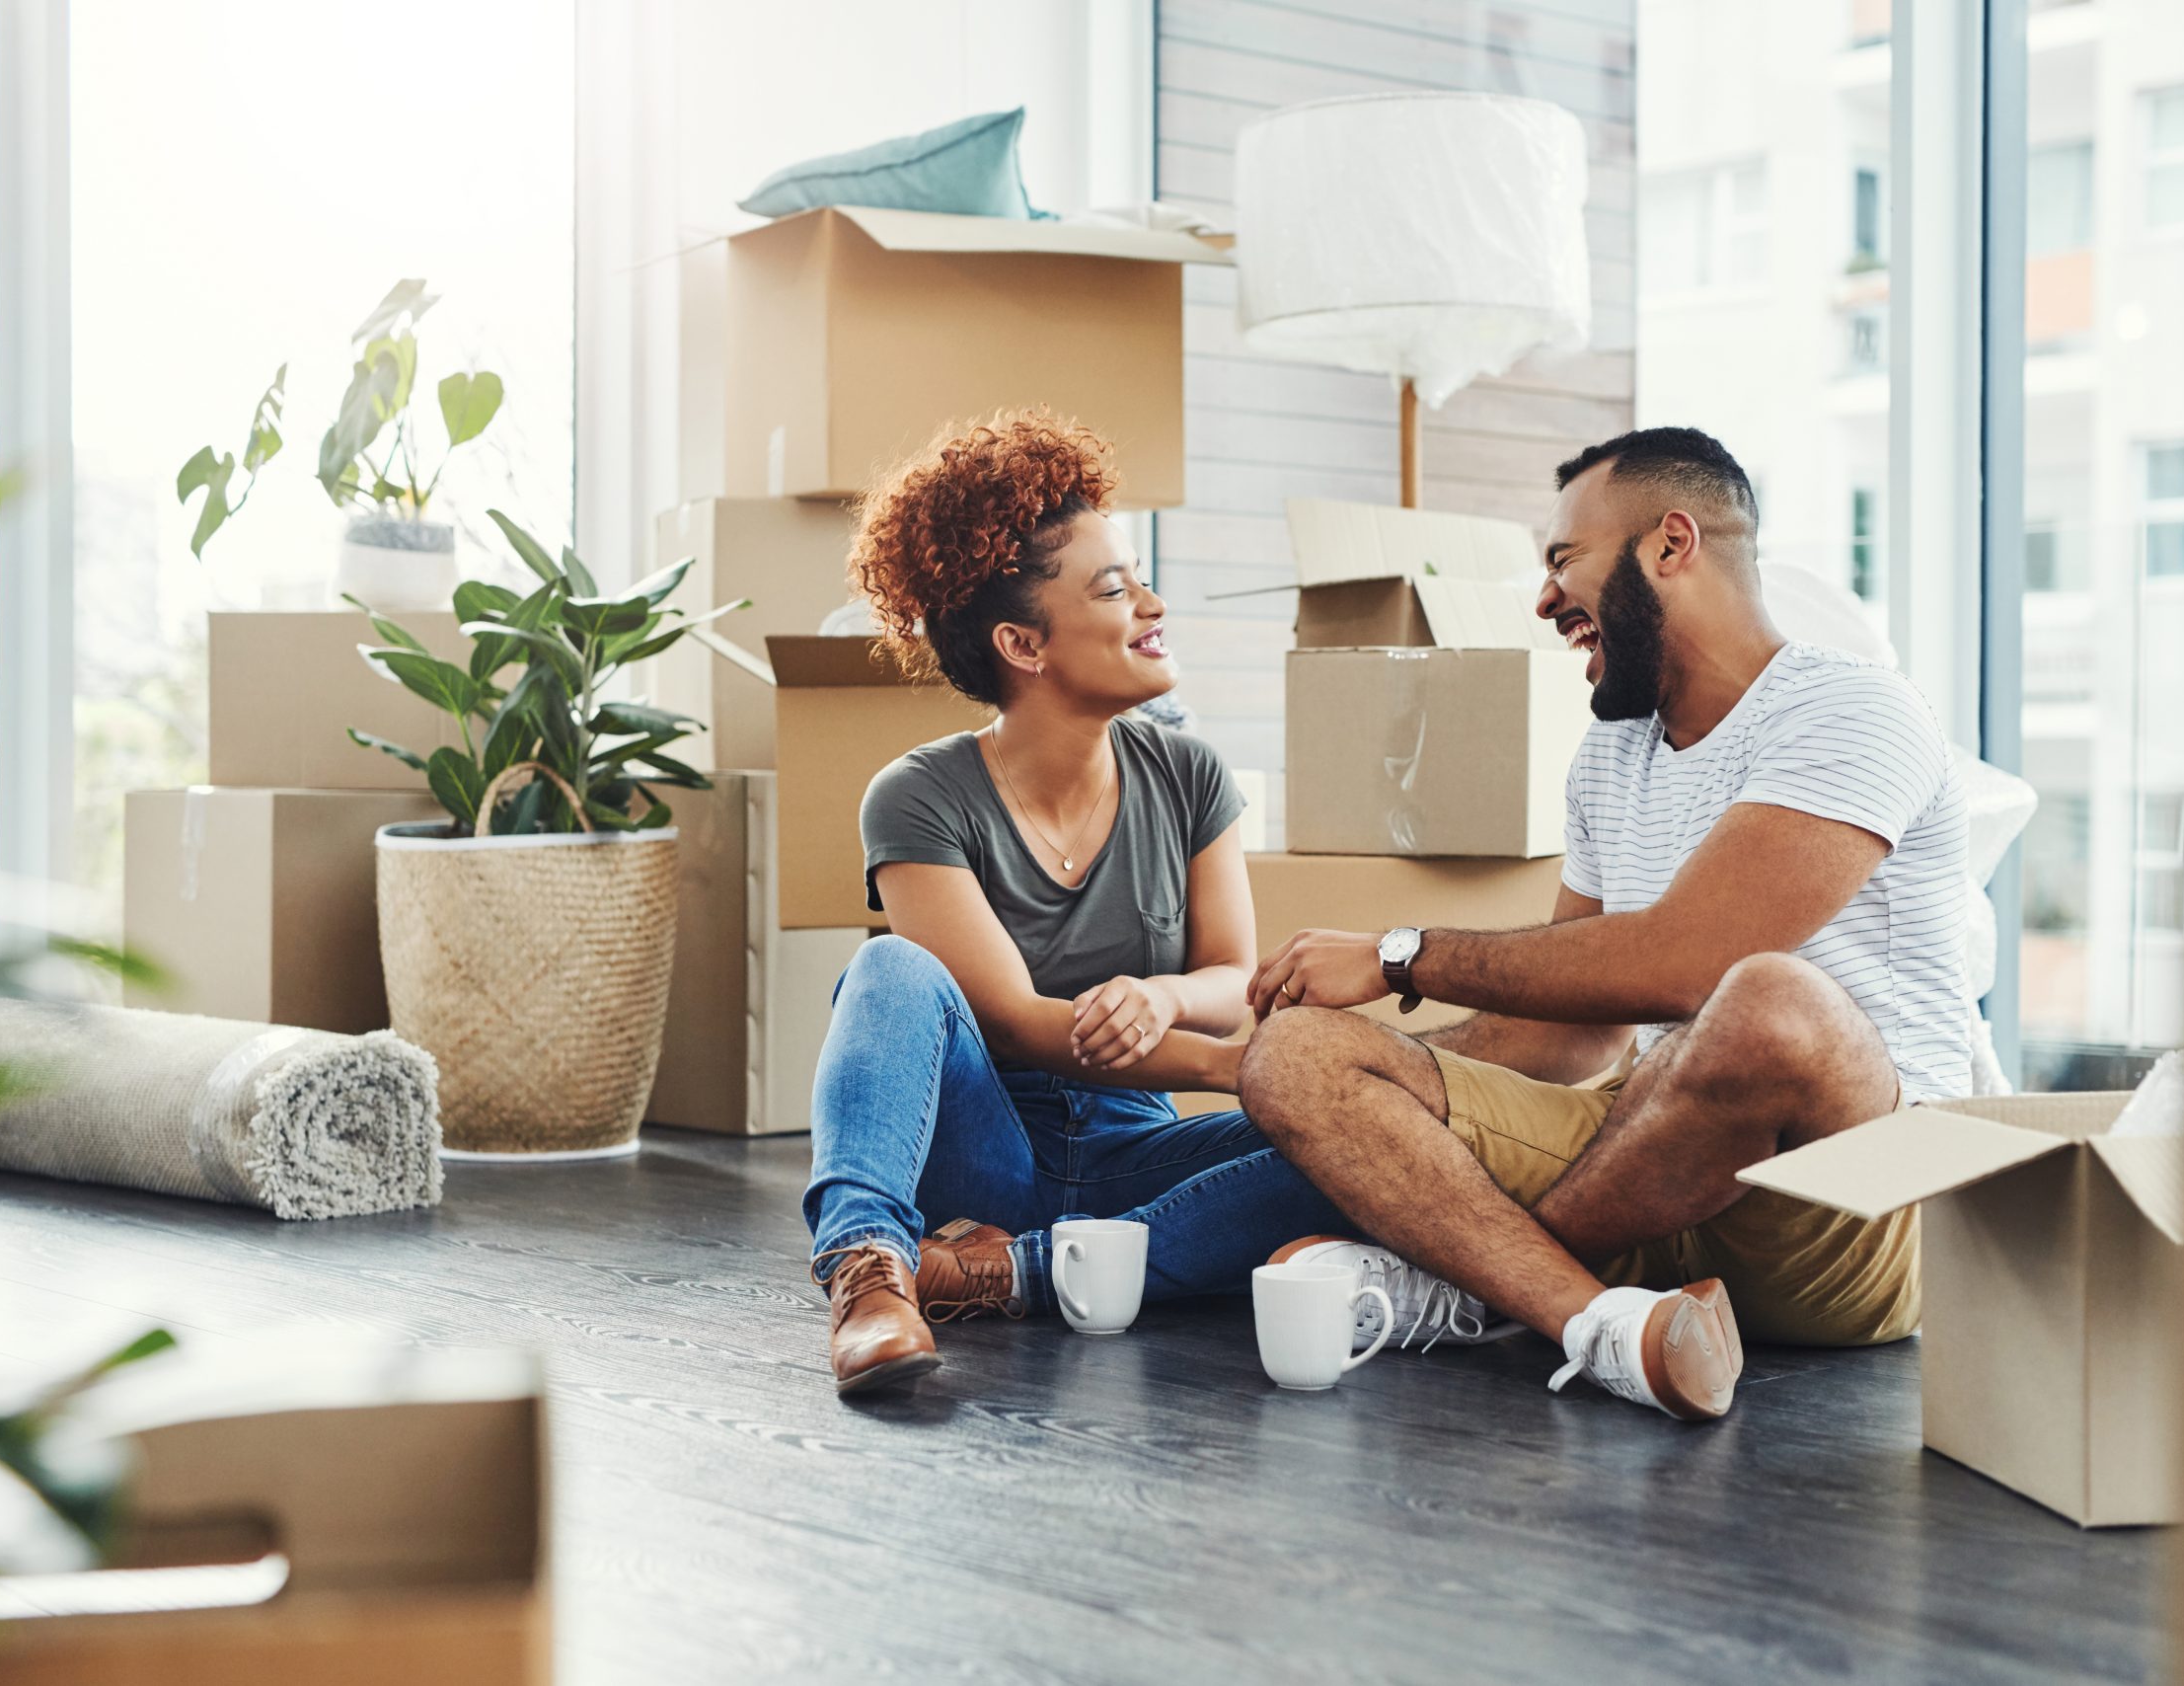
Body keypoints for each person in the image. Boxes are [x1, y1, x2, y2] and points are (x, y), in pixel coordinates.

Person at [1238, 425, 1968, 1423]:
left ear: (1670, 545)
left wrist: (1400, 956)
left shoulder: (1851, 710)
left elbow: (1686, 967)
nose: (1544, 599)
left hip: (1856, 1198)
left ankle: (1480, 1289)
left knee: (1769, 1001)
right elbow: (1564, 1036)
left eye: (1561, 561)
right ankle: (1599, 1323)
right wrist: (1367, 1073)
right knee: (1296, 1058)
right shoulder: (1609, 758)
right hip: (1651, 1168)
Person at [803, 411, 1345, 1396]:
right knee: (884, 967)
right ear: (1022, 641)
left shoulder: (1188, 773)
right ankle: (870, 1270)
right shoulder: (916, 795)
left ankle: (1000, 1271)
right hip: (985, 1149)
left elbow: (1231, 979)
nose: (1150, 601)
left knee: (1363, 1147)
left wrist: (1169, 999)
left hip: (1137, 1140)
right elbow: (1009, 1023)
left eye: (1137, 576)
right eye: (1112, 587)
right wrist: (1241, 1070)